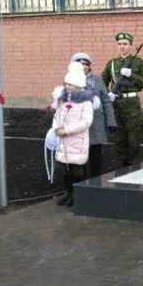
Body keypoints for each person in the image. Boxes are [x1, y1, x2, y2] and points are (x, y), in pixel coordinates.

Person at [101, 32, 143, 166]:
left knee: (133, 138)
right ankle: (121, 166)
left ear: (130, 46)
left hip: (132, 105)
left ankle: (134, 166)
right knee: (119, 139)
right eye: (120, 44)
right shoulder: (112, 63)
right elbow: (102, 82)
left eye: (125, 44)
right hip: (116, 104)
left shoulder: (138, 62)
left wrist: (132, 75)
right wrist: (108, 95)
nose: (122, 47)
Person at [51, 62, 94, 207]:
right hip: (63, 140)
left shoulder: (86, 102)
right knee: (65, 168)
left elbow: (86, 122)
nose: (67, 87)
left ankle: (78, 193)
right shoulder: (62, 100)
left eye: (71, 84)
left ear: (78, 86)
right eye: (67, 84)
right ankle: (68, 191)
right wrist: (56, 128)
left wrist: (67, 130)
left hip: (76, 140)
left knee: (77, 168)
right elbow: (56, 115)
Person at [70, 52, 116, 178]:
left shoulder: (98, 80)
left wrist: (111, 122)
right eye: (80, 63)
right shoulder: (69, 81)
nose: (84, 66)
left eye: (86, 64)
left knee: (95, 154)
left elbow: (106, 101)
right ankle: (80, 182)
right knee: (79, 155)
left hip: (96, 123)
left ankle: (95, 180)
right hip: (77, 123)